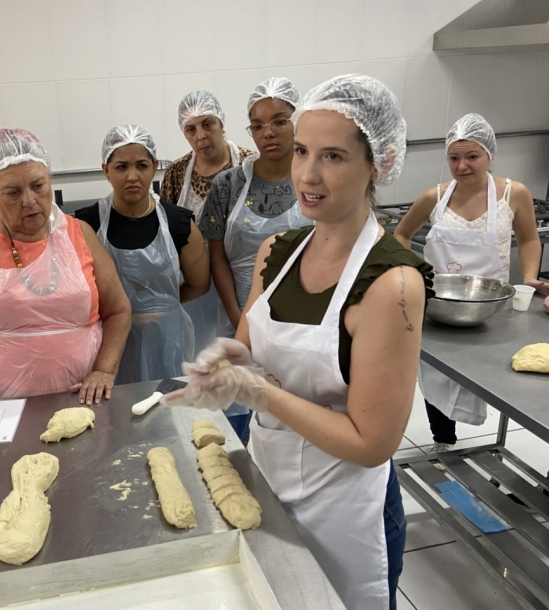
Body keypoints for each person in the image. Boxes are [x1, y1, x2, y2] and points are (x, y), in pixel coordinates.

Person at [166, 74, 432, 610]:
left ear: (377, 162)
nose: (307, 175)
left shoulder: (391, 285)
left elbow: (370, 442)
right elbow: (250, 349)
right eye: (303, 151)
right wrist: (226, 360)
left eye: (333, 156)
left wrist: (258, 394)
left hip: (347, 507)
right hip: (269, 482)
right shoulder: (276, 252)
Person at [0, 129, 131, 437]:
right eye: (12, 192)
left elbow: (118, 310)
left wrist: (104, 370)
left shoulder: (79, 233)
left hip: (81, 401)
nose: (29, 201)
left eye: (38, 186)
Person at [394, 113, 546, 451]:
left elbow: (529, 239)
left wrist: (531, 276)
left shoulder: (513, 194)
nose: (462, 165)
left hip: (492, 307)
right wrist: (413, 267)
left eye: (472, 156)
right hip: (439, 304)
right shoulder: (434, 196)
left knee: (495, 375)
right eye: (454, 157)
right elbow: (401, 234)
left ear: (490, 155)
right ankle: (443, 441)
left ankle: (498, 440)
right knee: (436, 374)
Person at [200, 77, 313, 440]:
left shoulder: (315, 181)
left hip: (304, 318)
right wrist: (239, 318)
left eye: (280, 120)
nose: (269, 132)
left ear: (298, 120)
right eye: (258, 125)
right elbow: (217, 256)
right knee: (238, 412)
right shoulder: (228, 185)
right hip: (237, 312)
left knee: (294, 411)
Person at [75, 125, 208, 384]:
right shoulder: (86, 225)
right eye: (122, 167)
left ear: (155, 166)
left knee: (168, 413)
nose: (132, 176)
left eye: (142, 166)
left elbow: (199, 283)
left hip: (168, 339)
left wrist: (160, 306)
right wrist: (119, 313)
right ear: (106, 170)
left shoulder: (178, 223)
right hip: (110, 344)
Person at [160, 90, 255, 354]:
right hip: (194, 282)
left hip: (240, 280)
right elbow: (166, 231)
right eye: (191, 129)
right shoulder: (177, 172)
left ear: (222, 123)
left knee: (237, 353)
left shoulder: (249, 164)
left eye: (207, 124)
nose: (200, 136)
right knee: (198, 353)